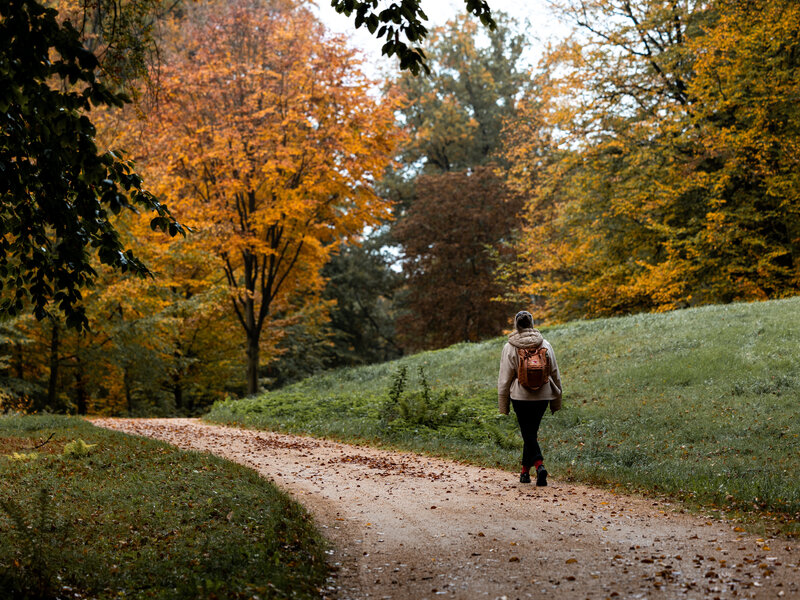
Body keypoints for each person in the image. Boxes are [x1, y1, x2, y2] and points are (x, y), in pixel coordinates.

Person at [497, 310, 562, 486]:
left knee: (527, 433)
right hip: (543, 395)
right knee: (531, 432)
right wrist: (556, 400)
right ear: (532, 324)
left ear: (516, 325)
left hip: (520, 396)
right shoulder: (546, 344)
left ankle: (539, 465)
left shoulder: (510, 346)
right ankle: (525, 472)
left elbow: (504, 378)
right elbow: (554, 373)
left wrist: (503, 405)